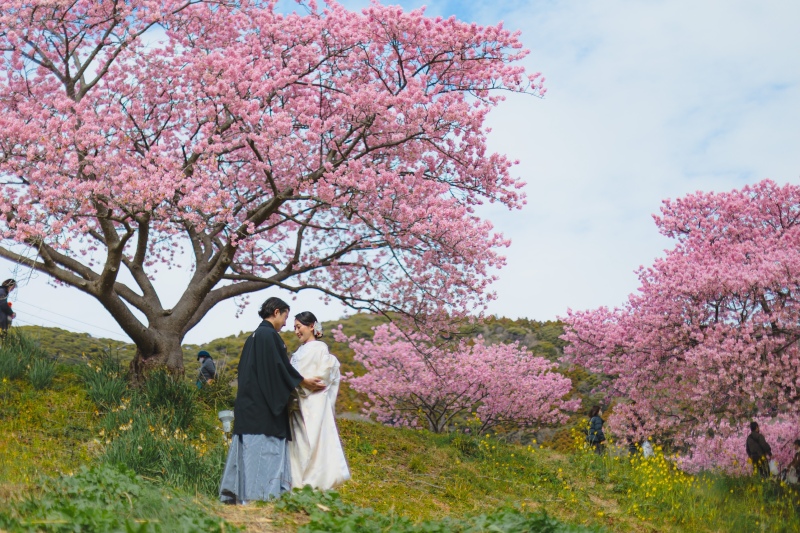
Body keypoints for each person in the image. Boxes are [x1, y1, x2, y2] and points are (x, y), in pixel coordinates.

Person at [219, 297, 325, 504]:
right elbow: (278, 369)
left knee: (247, 458)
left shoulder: (254, 336)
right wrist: (302, 381)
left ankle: (241, 497)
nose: (286, 323)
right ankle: (258, 501)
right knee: (263, 456)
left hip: (248, 406)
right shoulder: (269, 336)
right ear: (276, 312)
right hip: (262, 411)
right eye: (285, 316)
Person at [288, 311, 350, 490]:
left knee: (311, 443)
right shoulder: (300, 352)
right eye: (294, 328)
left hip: (313, 403)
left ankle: (309, 484)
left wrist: (299, 385)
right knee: (300, 444)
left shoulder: (319, 348)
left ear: (311, 326)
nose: (296, 331)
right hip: (299, 403)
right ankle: (299, 484)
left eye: (299, 327)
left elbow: (319, 378)